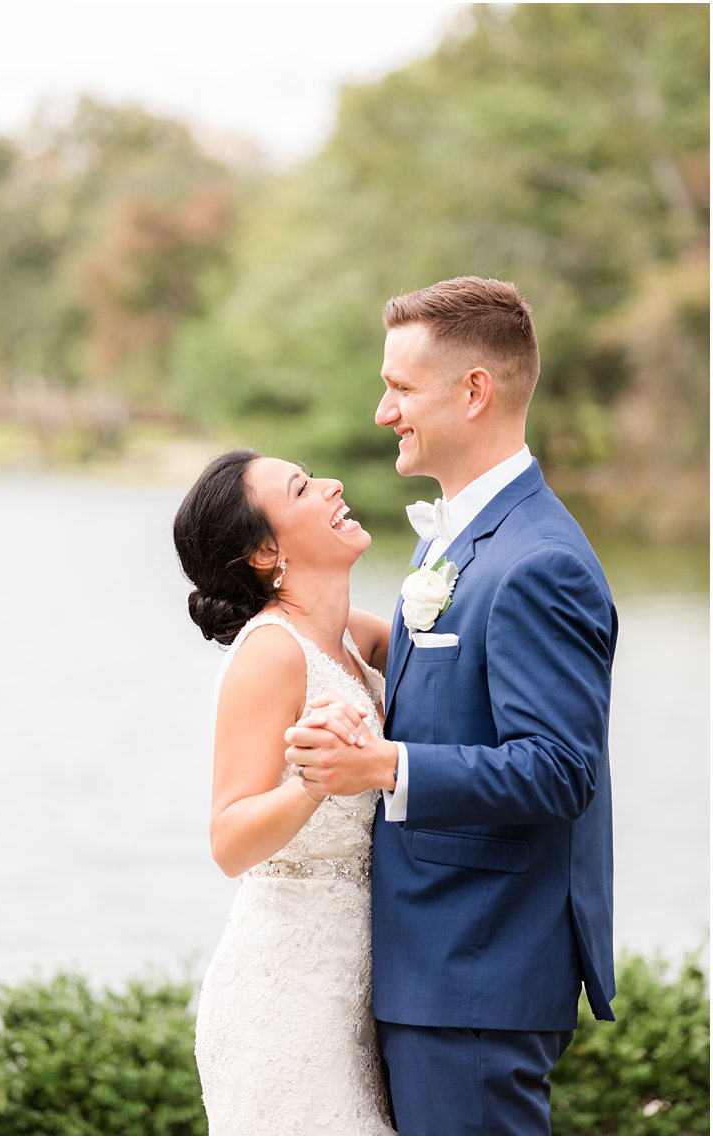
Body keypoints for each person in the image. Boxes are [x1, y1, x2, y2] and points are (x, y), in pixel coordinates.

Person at [285, 276, 616, 1135]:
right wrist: (297, 620)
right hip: (439, 961)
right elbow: (453, 671)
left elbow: (559, 770)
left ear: (474, 391)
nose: (381, 411)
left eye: (399, 387)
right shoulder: (466, 536)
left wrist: (382, 765)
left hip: (476, 965)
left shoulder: (541, 560)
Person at [175, 448, 395, 1135]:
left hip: (352, 986)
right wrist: (310, 784)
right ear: (267, 551)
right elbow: (228, 837)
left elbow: (452, 652)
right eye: (302, 488)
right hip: (285, 1001)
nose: (332, 483)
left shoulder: (348, 639)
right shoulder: (271, 651)